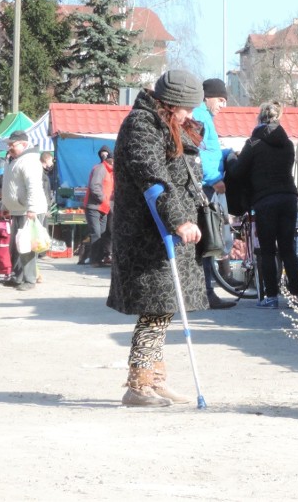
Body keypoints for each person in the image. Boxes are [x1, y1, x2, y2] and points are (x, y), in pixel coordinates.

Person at [107, 70, 208, 408]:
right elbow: (153, 177)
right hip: (148, 233)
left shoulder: (166, 124)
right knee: (155, 309)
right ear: (170, 103)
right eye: (187, 108)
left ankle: (155, 378)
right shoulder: (141, 125)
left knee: (162, 309)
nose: (191, 115)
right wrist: (178, 220)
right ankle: (139, 384)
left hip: (164, 229)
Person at [227, 101, 298, 308]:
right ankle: (296, 295)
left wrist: (232, 157)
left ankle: (271, 297)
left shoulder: (253, 144)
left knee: (267, 250)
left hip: (265, 201)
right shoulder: (287, 144)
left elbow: (237, 172)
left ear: (259, 119)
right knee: (288, 249)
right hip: (288, 198)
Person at [192, 77, 236, 309]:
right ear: (208, 97)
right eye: (220, 100)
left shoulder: (205, 116)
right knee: (207, 240)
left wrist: (229, 152)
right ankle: (207, 294)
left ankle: (205, 292)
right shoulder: (200, 117)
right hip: (206, 186)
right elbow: (199, 153)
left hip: (207, 184)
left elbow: (211, 150)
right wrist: (214, 178)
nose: (223, 105)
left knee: (207, 240)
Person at [1, 130, 48, 290]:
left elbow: (33, 186)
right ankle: (17, 276)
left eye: (12, 144)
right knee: (16, 245)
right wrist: (5, 205)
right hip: (18, 210)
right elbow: (10, 186)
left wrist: (32, 208)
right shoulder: (15, 160)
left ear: (24, 144)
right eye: (8, 144)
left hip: (29, 210)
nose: (9, 147)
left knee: (27, 245)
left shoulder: (29, 161)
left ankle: (29, 280)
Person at [81, 151, 114, 268]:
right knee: (96, 234)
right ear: (112, 161)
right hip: (94, 206)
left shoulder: (110, 172)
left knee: (103, 233)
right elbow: (94, 186)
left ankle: (100, 259)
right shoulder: (100, 169)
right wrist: (103, 199)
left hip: (104, 208)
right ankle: (94, 260)